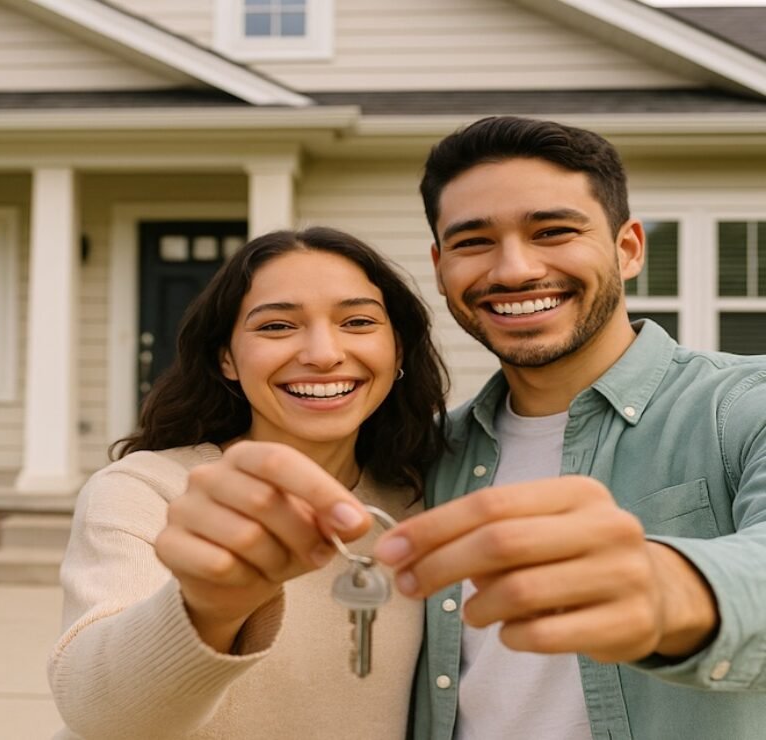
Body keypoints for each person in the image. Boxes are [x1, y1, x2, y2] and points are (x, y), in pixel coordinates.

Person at [372, 116, 766, 740]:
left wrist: (668, 585)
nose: (515, 270)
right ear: (440, 265)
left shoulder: (744, 405)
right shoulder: (424, 457)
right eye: (473, 242)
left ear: (628, 248)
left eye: (552, 231)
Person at [47, 227, 448, 739]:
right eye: (278, 326)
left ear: (399, 354)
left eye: (358, 321)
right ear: (226, 359)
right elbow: (100, 712)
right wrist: (210, 606)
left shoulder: (425, 495)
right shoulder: (144, 489)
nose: (324, 354)